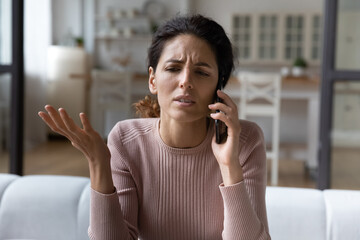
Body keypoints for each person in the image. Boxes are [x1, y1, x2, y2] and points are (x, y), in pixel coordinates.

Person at [38, 14, 270, 240]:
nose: (185, 81)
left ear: (219, 85)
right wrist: (99, 164)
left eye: (201, 72)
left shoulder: (245, 140)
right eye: (173, 68)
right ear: (152, 80)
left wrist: (230, 166)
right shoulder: (125, 140)